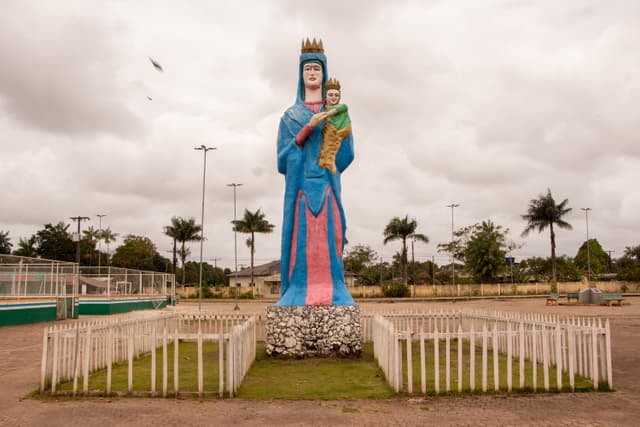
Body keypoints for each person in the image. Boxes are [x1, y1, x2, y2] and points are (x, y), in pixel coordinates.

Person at [275, 38, 355, 306]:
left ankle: (335, 291)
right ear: (301, 74)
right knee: (301, 244)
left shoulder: (335, 113)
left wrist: (334, 137)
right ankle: (296, 291)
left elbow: (348, 153)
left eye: (316, 69)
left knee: (331, 242)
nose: (312, 73)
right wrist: (306, 129)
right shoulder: (290, 116)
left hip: (327, 187)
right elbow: (282, 160)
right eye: (307, 69)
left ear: (323, 74)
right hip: (300, 191)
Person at [319, 77, 351, 174]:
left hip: (341, 131)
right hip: (332, 131)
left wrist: (324, 115)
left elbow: (334, 111)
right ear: (326, 96)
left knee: (333, 143)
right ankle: (325, 160)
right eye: (331, 95)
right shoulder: (324, 109)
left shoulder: (342, 107)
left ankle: (329, 160)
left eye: (336, 95)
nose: (334, 97)